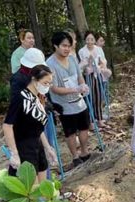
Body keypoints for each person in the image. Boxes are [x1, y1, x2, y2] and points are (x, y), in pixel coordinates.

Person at [2, 65, 59, 202]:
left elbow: (38, 127)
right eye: (45, 82)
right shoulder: (20, 97)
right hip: (23, 147)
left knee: (43, 188)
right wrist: (14, 153)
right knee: (30, 194)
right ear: (34, 80)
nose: (47, 86)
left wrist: (48, 146)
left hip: (37, 145)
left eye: (50, 83)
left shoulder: (38, 97)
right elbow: (7, 125)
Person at [46, 31, 92, 167]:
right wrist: (75, 89)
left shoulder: (72, 58)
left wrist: (83, 85)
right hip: (63, 104)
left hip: (79, 101)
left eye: (69, 46)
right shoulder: (50, 64)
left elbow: (79, 76)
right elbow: (54, 88)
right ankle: (75, 156)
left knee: (84, 128)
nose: (67, 49)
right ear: (55, 45)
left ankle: (84, 151)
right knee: (70, 132)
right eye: (64, 46)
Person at [78, 31, 108, 129]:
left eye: (92, 39)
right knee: (89, 98)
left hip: (97, 74)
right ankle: (90, 122)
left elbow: (103, 61)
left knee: (98, 96)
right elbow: (82, 65)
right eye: (87, 39)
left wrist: (99, 67)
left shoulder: (98, 49)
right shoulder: (82, 51)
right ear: (85, 40)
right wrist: (87, 67)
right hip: (87, 76)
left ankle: (99, 119)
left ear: (94, 40)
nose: (90, 41)